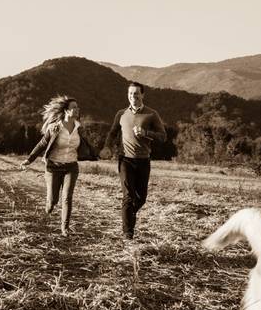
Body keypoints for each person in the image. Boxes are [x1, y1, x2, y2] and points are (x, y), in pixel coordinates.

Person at [20, 95, 97, 236]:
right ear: (66, 111)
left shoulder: (79, 128)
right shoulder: (55, 127)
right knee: (53, 201)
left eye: (77, 107)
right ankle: (49, 205)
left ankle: (65, 228)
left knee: (67, 197)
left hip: (71, 167)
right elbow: (42, 144)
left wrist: (94, 154)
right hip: (53, 167)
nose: (77, 109)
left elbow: (86, 144)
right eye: (74, 107)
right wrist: (29, 160)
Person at [103, 81, 166, 240]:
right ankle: (127, 233)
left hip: (144, 161)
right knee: (128, 197)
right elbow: (112, 133)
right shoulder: (121, 114)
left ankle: (128, 216)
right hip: (125, 160)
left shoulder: (152, 114)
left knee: (141, 198)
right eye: (130, 94)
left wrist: (145, 132)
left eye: (136, 93)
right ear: (128, 95)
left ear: (142, 95)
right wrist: (107, 147)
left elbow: (163, 137)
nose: (133, 97)